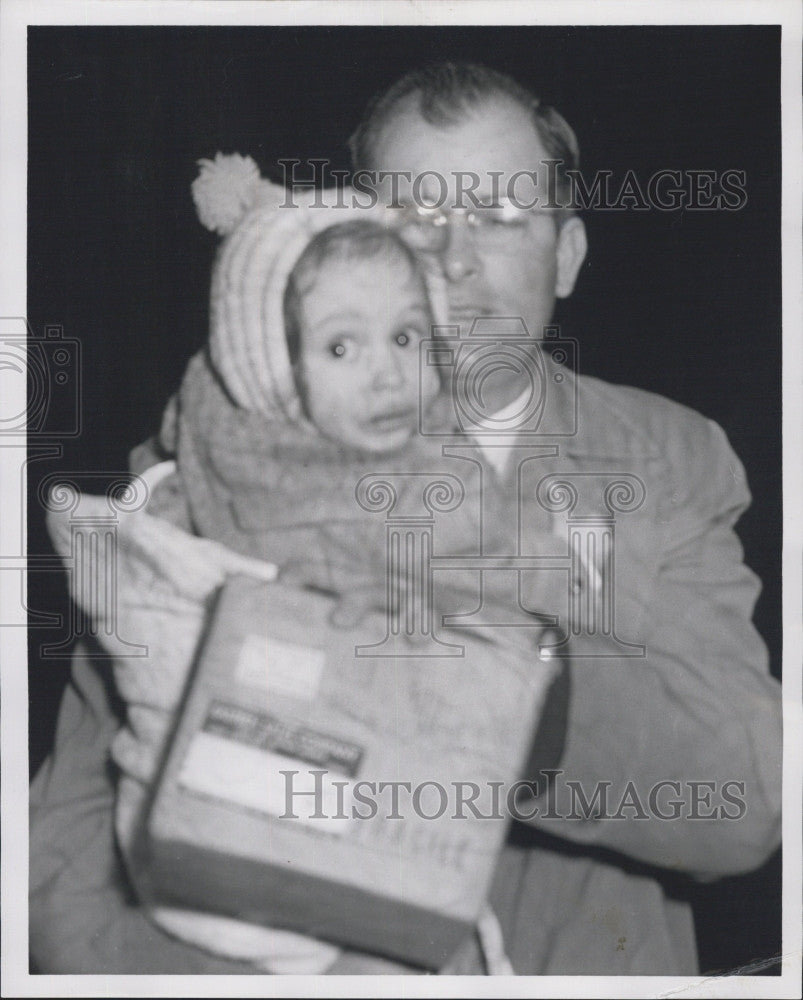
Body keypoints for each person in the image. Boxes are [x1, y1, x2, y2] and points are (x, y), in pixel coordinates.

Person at [29, 61, 782, 975]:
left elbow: (747, 798)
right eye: (415, 219)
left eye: (501, 217)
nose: (455, 259)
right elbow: (65, 849)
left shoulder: (669, 458)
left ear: (568, 256)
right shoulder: (218, 455)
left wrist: (494, 669)